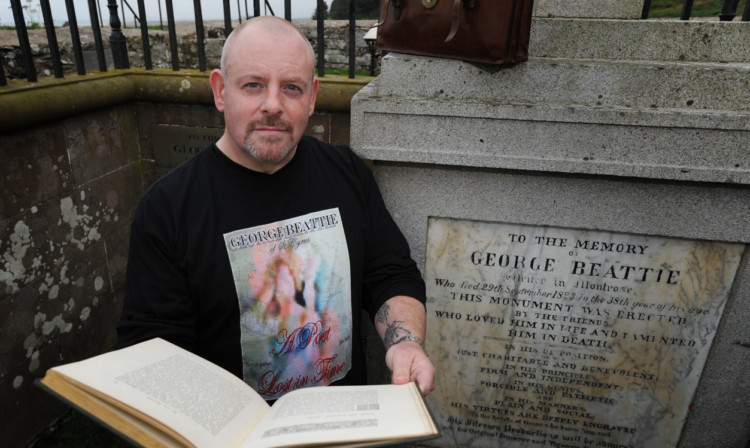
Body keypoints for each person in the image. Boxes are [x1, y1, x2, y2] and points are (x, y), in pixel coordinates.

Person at [116, 16, 435, 400]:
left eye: (291, 88)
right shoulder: (167, 209)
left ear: (312, 96)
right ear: (220, 91)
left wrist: (405, 343)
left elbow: (390, 273)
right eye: (253, 85)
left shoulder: (346, 173)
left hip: (343, 425)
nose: (272, 105)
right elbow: (154, 346)